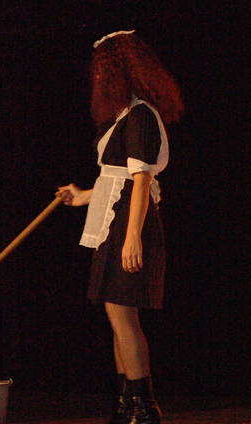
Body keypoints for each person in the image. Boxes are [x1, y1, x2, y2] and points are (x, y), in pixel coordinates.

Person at [57, 30, 183, 424]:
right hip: (114, 217)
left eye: (103, 70)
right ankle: (126, 403)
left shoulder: (142, 115)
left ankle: (144, 408)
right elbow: (116, 178)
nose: (97, 78)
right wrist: (82, 196)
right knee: (116, 316)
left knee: (123, 315)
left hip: (129, 222)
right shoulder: (123, 116)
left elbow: (141, 180)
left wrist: (132, 238)